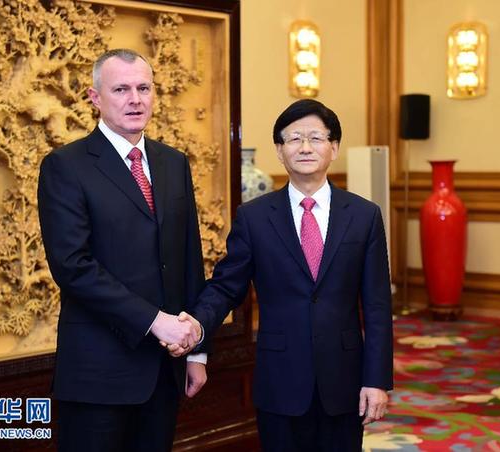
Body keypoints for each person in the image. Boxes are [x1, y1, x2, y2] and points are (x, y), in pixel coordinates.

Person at [171, 99, 393, 451]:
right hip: (280, 379)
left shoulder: (364, 216)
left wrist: (376, 380)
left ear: (334, 148)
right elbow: (226, 287)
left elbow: (378, 306)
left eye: (316, 138)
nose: (305, 147)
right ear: (279, 150)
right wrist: (196, 329)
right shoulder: (254, 217)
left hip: (345, 379)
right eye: (294, 139)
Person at [37, 48, 208, 452]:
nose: (135, 99)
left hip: (165, 370)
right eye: (121, 89)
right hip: (99, 373)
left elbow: (189, 259)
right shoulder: (66, 165)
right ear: (95, 97)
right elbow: (73, 267)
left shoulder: (174, 163)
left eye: (143, 88)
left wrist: (198, 352)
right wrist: (155, 322)